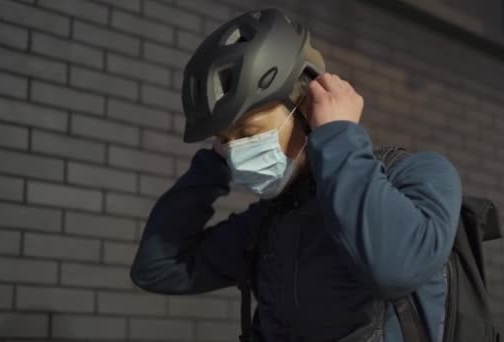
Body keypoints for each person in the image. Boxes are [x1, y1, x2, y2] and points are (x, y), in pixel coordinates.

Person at [130, 7, 463, 342]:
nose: (236, 152)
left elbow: (397, 267)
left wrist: (338, 135)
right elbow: (158, 268)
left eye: (247, 132)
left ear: (306, 107)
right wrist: (212, 166)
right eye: (226, 141)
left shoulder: (417, 175)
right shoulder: (266, 223)